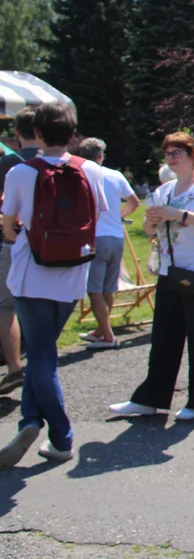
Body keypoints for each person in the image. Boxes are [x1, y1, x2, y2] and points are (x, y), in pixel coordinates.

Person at [0, 104, 108, 468]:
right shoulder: (90, 169)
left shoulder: (21, 172)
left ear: (38, 134)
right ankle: (30, 420)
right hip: (72, 275)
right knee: (42, 356)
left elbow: (10, 224)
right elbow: (102, 212)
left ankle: (60, 435)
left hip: (31, 276)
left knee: (42, 359)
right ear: (73, 133)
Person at [110, 132, 194, 422]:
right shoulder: (164, 190)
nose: (172, 158)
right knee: (164, 337)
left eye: (177, 152)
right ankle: (150, 399)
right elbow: (150, 232)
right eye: (168, 153)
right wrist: (151, 223)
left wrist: (180, 214)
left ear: (193, 155)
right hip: (169, 271)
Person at [75, 138, 140, 350]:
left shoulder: (82, 176)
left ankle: (107, 334)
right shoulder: (116, 175)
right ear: (101, 156)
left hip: (95, 237)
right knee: (108, 288)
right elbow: (134, 202)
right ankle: (102, 330)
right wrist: (120, 216)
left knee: (94, 289)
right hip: (116, 236)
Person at [0, 107, 39, 395]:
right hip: (55, 244)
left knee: (6, 306)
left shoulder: (8, 165)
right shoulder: (62, 163)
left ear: (16, 133)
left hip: (14, 239)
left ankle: (14, 366)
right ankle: (41, 364)